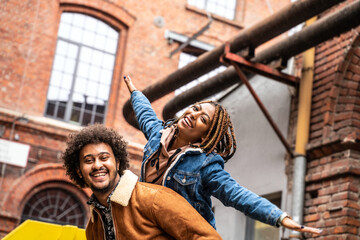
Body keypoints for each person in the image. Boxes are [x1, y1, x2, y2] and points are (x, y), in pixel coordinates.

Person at [124, 75, 322, 236]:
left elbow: (236, 195)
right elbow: (145, 113)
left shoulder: (205, 165)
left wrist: (279, 217)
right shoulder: (157, 135)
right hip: (154, 228)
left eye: (203, 119)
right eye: (195, 108)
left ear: (206, 135)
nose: (193, 115)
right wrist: (135, 93)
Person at [62, 124, 222, 240]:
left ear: (117, 163)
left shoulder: (154, 198)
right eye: (89, 160)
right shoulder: (93, 227)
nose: (97, 165)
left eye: (104, 158)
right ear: (79, 171)